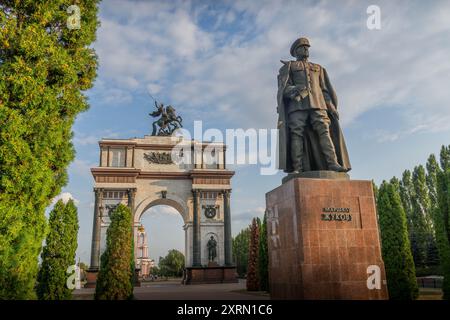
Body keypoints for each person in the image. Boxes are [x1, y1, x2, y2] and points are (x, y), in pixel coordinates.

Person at [276, 37, 351, 173]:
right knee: (296, 134)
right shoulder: (290, 67)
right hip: (297, 105)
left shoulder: (318, 68)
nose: (306, 49)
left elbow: (324, 90)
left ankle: (333, 163)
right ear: (295, 51)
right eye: (302, 47)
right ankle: (297, 168)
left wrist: (331, 106)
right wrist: (295, 90)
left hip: (318, 104)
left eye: (307, 47)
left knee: (324, 132)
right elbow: (283, 88)